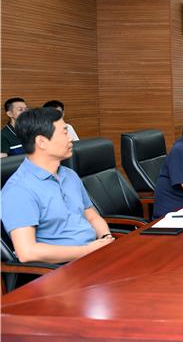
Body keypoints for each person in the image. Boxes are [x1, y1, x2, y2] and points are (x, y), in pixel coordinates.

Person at [1, 107, 114, 263]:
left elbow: (93, 217)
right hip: (63, 268)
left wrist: (106, 238)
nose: (70, 138)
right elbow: (27, 252)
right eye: (64, 132)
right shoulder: (18, 190)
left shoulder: (69, 175)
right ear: (42, 142)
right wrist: (86, 251)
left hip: (93, 256)